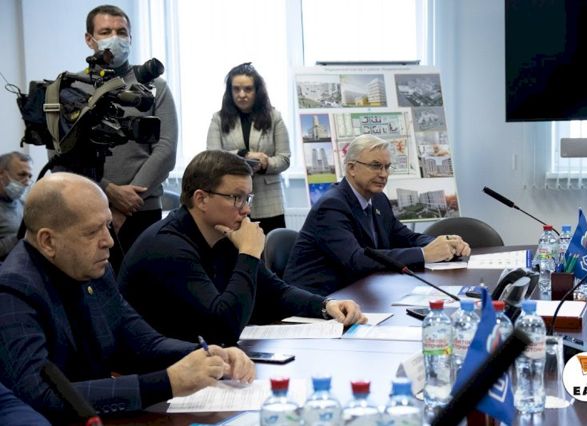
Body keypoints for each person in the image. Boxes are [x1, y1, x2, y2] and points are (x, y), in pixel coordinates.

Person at [0, 172, 254, 422]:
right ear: (47, 241)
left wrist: (208, 356)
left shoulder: (93, 268)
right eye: (92, 232)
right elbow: (40, 396)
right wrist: (167, 382)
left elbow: (142, 343)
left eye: (108, 225)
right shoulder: (13, 290)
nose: (109, 241)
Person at [118, 150, 365, 347]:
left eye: (248, 198)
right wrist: (248, 253)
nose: (246, 209)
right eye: (236, 198)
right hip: (155, 372)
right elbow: (224, 327)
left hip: (201, 356)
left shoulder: (223, 233)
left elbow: (275, 292)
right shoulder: (168, 247)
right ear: (201, 199)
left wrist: (325, 306)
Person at [284, 134, 471, 296]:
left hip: (359, 292)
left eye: (387, 167)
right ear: (351, 168)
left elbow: (405, 237)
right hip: (318, 301)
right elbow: (356, 260)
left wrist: (444, 244)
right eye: (375, 166)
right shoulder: (332, 206)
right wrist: (424, 254)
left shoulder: (379, 199)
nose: (384, 174)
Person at [83, 5, 178, 252]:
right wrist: (109, 191)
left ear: (131, 38)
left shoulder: (155, 86)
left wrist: (128, 203)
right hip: (88, 207)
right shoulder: (73, 88)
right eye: (106, 32)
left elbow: (166, 149)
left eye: (121, 32)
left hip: (144, 208)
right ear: (90, 39)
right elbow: (64, 157)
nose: (115, 38)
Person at [206, 62, 290, 234]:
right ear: (229, 91)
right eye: (236, 89)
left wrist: (266, 163)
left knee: (269, 248)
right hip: (232, 200)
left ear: (257, 91)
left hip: (269, 201)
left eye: (248, 89)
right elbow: (211, 157)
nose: (241, 94)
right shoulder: (218, 119)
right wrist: (243, 154)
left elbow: (284, 158)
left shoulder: (274, 117)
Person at [0, 151, 32, 260]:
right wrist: (22, 235)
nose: (27, 182)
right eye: (22, 175)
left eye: (29, 176)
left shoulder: (23, 204)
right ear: (1, 174)